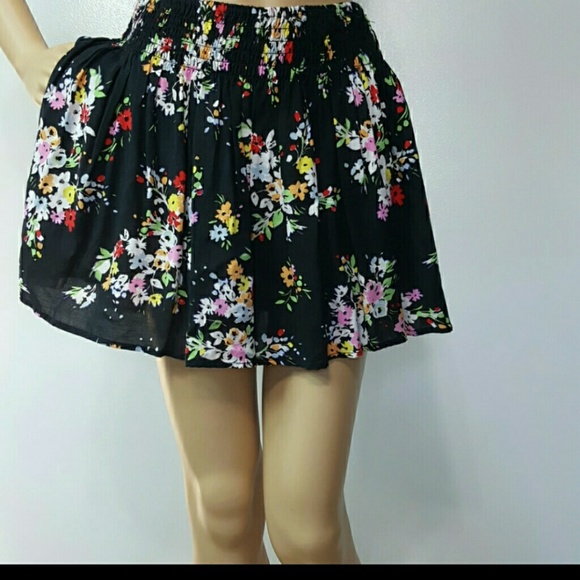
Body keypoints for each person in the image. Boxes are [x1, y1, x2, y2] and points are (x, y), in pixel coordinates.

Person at [1, 0, 454, 564]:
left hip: (323, 92)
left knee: (307, 530)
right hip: (189, 101)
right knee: (225, 508)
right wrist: (25, 54)